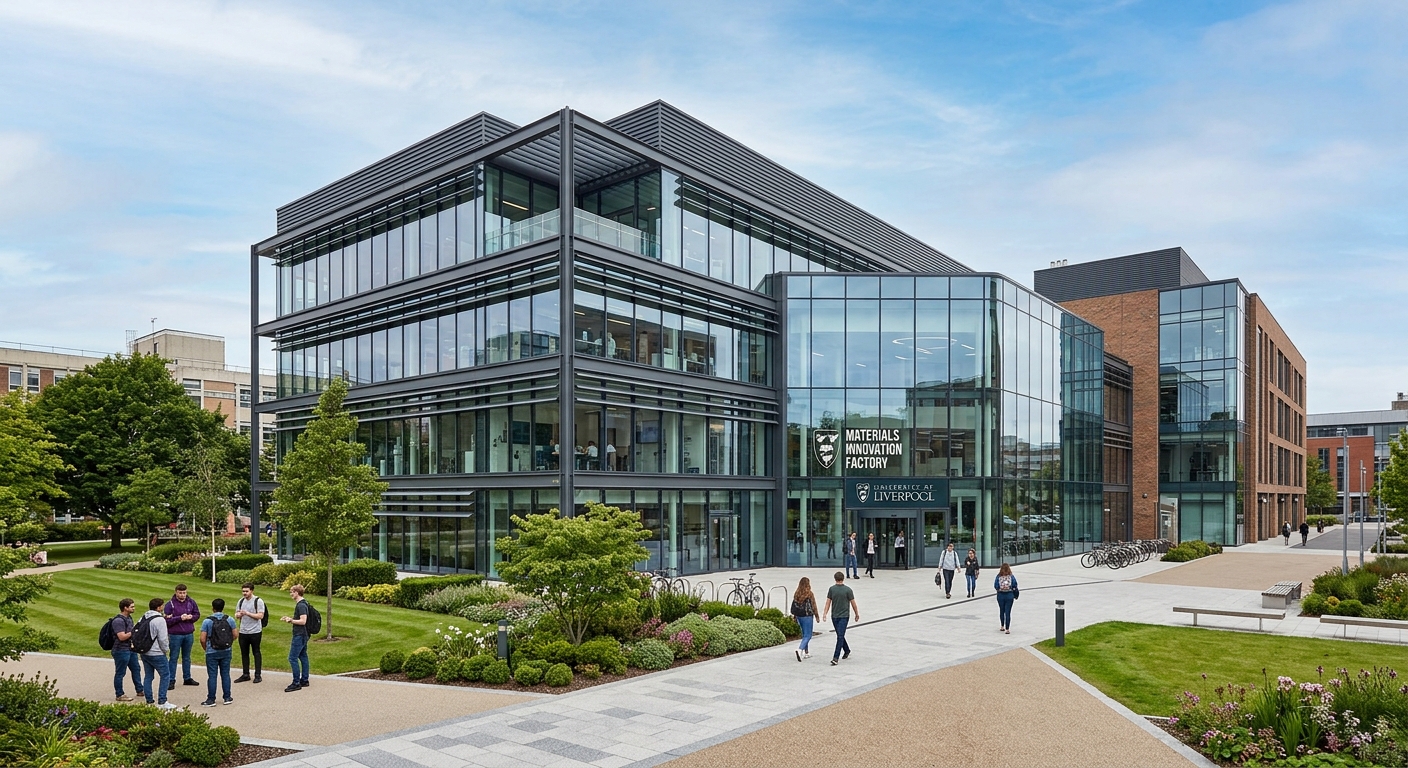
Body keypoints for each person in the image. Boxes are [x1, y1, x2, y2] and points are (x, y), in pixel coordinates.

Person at [139, 597, 176, 710]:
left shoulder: (143, 617)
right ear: (159, 607)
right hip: (157, 652)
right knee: (165, 675)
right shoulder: (160, 620)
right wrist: (165, 650)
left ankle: (149, 700)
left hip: (145, 651)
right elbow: (163, 639)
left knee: (148, 676)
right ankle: (162, 701)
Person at [199, 598, 237, 707]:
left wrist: (206, 648)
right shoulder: (230, 619)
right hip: (226, 650)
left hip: (212, 651)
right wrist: (228, 643)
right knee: (225, 674)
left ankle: (211, 699)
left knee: (212, 676)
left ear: (213, 608)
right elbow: (235, 635)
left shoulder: (207, 621)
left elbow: (202, 639)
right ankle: (227, 697)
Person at [164, 584, 200, 690]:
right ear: (176, 592)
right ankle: (171, 680)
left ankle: (187, 678)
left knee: (187, 657)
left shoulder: (191, 602)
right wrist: (179, 618)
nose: (182, 595)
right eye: (180, 593)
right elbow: (166, 621)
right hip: (175, 635)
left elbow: (197, 614)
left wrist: (191, 617)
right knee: (174, 657)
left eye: (184, 592)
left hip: (188, 634)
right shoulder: (170, 604)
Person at [821, 571, 859, 666]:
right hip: (844, 616)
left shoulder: (831, 589)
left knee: (840, 636)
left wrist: (825, 613)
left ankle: (835, 657)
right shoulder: (848, 590)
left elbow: (828, 602)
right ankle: (847, 650)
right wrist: (856, 614)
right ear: (843, 578)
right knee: (840, 635)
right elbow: (853, 603)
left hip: (835, 616)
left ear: (835, 579)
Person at [109, 598, 144, 702]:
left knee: (136, 669)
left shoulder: (129, 618)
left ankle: (140, 689)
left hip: (130, 649)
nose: (134, 608)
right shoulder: (118, 621)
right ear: (125, 608)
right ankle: (119, 694)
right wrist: (134, 632)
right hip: (120, 650)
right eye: (132, 606)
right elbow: (122, 637)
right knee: (120, 672)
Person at [281, 584, 310, 692]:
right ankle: (305, 679)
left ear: (297, 593)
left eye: (292, 592)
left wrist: (291, 620)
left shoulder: (301, 605)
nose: (291, 594)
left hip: (299, 634)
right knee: (303, 656)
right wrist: (290, 618)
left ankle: (296, 682)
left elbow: (303, 621)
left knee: (292, 658)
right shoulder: (303, 603)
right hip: (303, 634)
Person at [234, 583, 265, 683]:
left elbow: (260, 616)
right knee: (244, 653)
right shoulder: (241, 601)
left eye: (246, 591)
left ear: (252, 591)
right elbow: (236, 614)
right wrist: (238, 615)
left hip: (255, 631)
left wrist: (247, 613)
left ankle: (258, 675)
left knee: (256, 652)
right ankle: (245, 674)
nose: (244, 593)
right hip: (243, 631)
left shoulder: (258, 601)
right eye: (243, 591)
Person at [790, 577, 819, 662]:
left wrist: (795, 616)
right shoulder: (809, 594)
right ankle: (800, 650)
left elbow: (795, 606)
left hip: (799, 616)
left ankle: (806, 652)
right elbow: (813, 605)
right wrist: (817, 616)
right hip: (807, 616)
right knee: (808, 635)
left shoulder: (797, 593)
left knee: (804, 634)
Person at [994, 563, 1019, 634]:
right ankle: (1007, 629)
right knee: (1008, 612)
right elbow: (1015, 585)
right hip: (1009, 595)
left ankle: (1002, 626)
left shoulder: (998, 576)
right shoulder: (1011, 576)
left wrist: (999, 589)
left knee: (1002, 611)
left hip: (1000, 595)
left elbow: (996, 586)